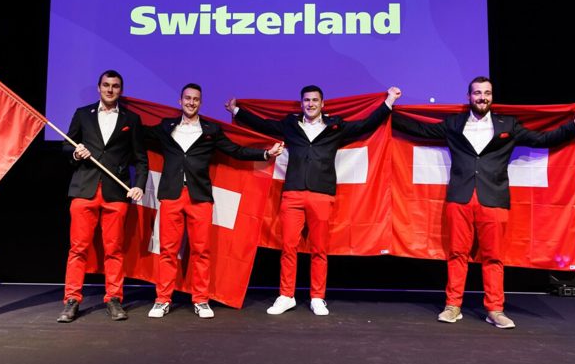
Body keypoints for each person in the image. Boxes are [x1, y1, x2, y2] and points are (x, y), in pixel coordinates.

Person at [391, 76, 575, 329]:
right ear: (469, 97)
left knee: (494, 257)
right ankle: (453, 306)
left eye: (486, 93)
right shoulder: (454, 124)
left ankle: (495, 310)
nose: (482, 97)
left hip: (494, 199)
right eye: (477, 93)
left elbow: (541, 140)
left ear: (492, 96)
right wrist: (386, 109)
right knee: (456, 254)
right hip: (460, 198)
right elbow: (418, 129)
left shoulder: (507, 124)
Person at [225, 85, 401, 315]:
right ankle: (286, 295)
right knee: (288, 247)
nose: (310, 104)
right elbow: (264, 125)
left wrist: (389, 101)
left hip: (321, 194)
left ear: (322, 104)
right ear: (301, 103)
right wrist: (237, 111)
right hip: (293, 194)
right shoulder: (290, 124)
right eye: (306, 100)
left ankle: (317, 297)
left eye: (315, 100)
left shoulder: (335, 126)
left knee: (319, 249)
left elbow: (365, 125)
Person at [144, 83, 283, 319]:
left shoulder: (211, 130)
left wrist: (265, 154)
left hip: (200, 197)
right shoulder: (165, 127)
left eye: (195, 99)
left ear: (200, 103)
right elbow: (137, 134)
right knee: (167, 251)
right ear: (180, 101)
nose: (191, 102)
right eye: (187, 98)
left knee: (201, 251)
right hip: (171, 195)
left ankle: (200, 300)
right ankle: (162, 299)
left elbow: (236, 151)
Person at [57, 70, 148, 323]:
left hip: (116, 192)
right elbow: (66, 145)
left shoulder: (132, 118)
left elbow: (141, 158)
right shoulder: (82, 114)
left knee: (114, 249)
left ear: (121, 90)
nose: (110, 90)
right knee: (78, 249)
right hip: (84, 190)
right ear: (99, 88)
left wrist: (139, 185)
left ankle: (114, 299)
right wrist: (76, 153)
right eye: (106, 85)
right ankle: (72, 300)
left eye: (115, 86)